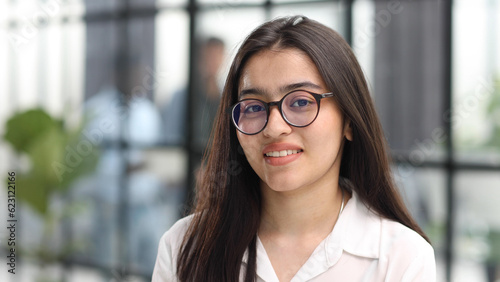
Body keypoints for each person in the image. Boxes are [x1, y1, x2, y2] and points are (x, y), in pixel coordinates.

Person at [152, 16, 436, 282]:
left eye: (300, 102)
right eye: (253, 107)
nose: (274, 128)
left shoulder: (401, 257)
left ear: (349, 120)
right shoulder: (184, 247)